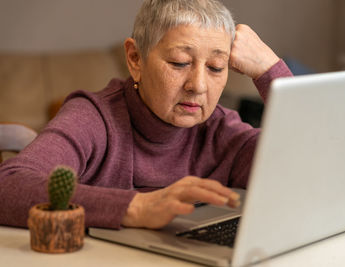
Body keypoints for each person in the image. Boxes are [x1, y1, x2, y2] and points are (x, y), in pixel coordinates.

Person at [0, 0, 292, 229]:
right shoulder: (93, 118)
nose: (198, 86)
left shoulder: (224, 132)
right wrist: (138, 207)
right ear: (135, 59)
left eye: (216, 67)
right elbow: (8, 186)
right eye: (179, 63)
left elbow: (318, 172)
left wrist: (271, 71)